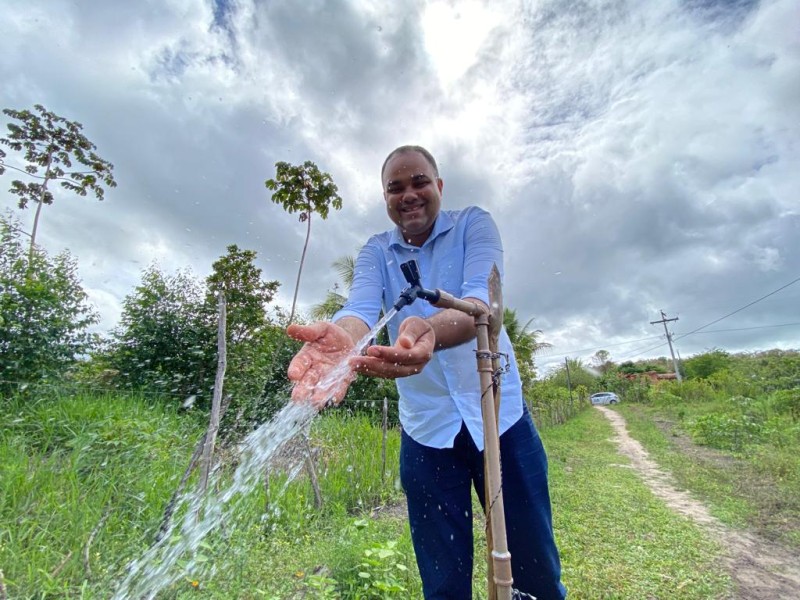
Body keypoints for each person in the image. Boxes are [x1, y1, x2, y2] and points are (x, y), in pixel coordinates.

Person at [287, 145, 566, 600]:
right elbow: (359, 308)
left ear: (439, 186)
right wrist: (343, 336)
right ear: (385, 198)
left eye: (419, 182)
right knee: (442, 581)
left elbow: (483, 303)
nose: (409, 195)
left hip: (500, 418)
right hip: (426, 430)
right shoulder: (377, 251)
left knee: (534, 569)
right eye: (396, 188)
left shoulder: (474, 225)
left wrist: (430, 331)